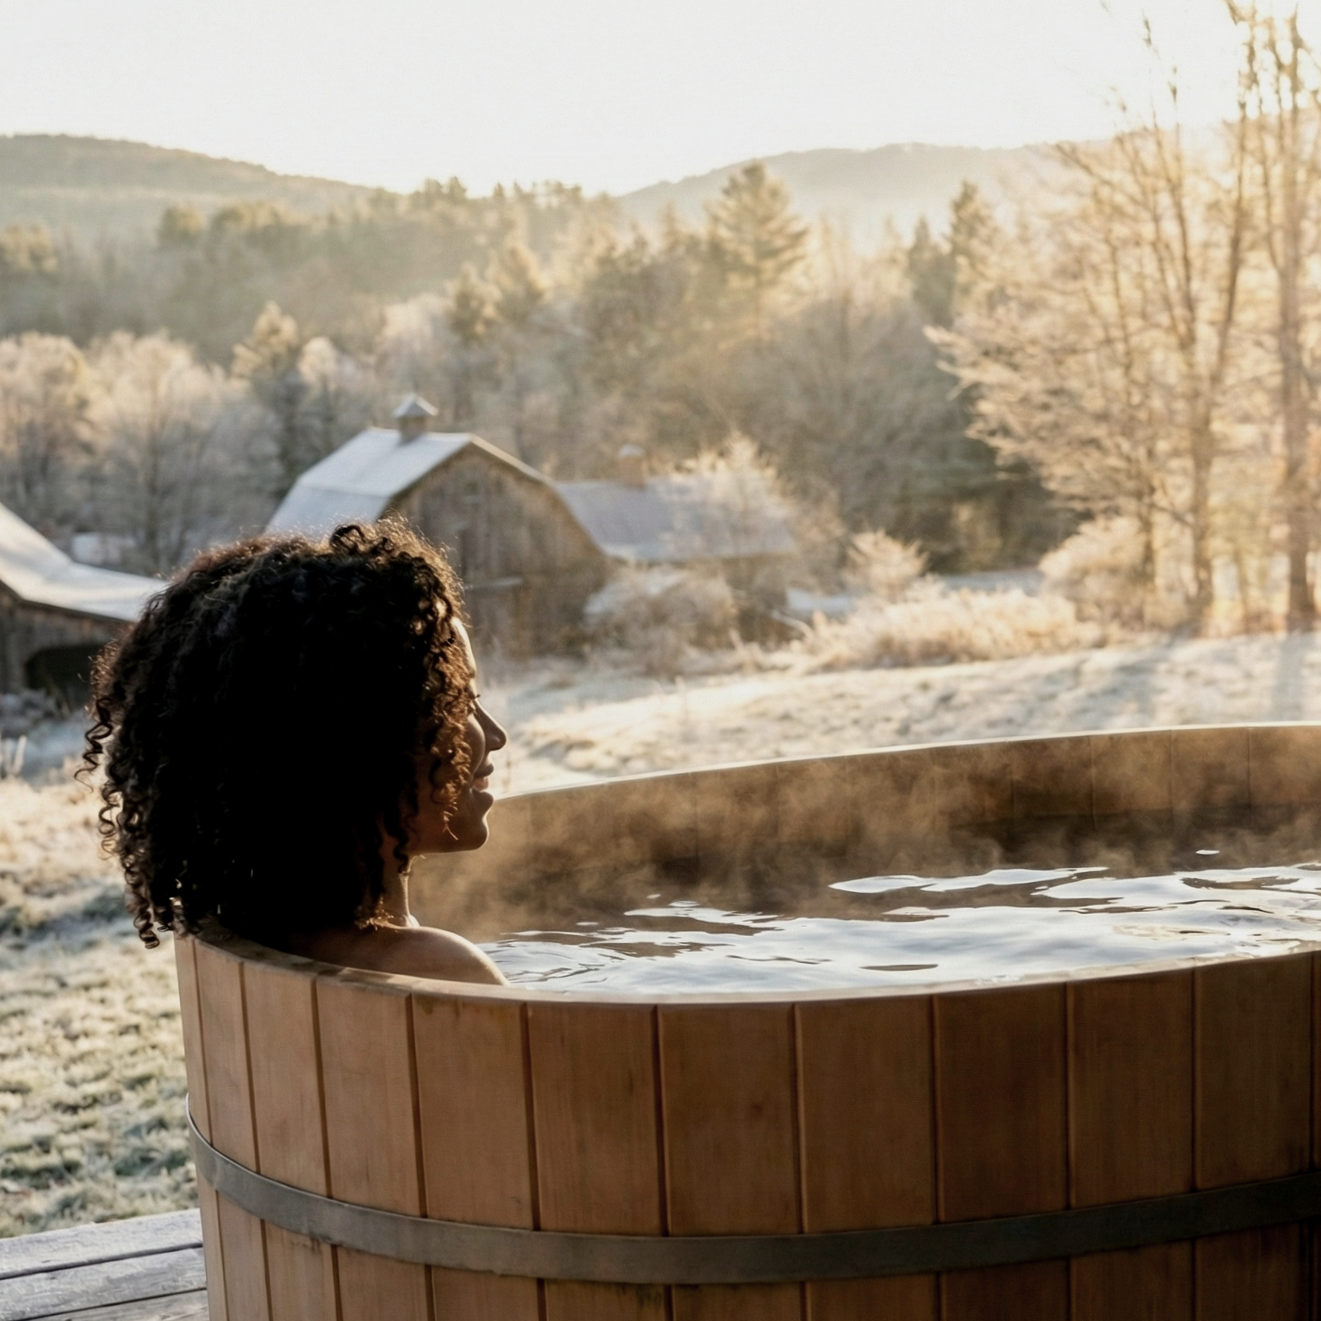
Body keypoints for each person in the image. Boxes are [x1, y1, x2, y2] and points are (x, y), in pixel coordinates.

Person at [83, 520, 508, 984]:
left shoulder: (251, 930)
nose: (495, 735)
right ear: (356, 745)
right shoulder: (439, 971)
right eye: (458, 703)